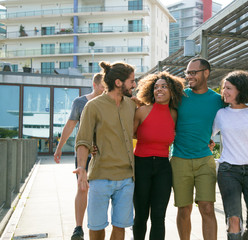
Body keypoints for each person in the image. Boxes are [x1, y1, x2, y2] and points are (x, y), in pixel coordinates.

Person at [171, 57, 248, 240]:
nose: (189, 76)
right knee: (184, 208)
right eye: (187, 72)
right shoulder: (180, 97)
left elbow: (239, 107)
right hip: (179, 158)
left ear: (206, 73)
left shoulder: (218, 99)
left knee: (207, 208)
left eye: (193, 72)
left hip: (205, 160)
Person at [74, 61, 137, 240]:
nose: (134, 84)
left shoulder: (132, 105)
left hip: (126, 178)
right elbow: (83, 140)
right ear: (118, 82)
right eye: (131, 81)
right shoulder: (93, 106)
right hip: (100, 177)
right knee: (96, 227)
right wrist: (81, 169)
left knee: (120, 227)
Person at [212, 71, 248, 240]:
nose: (224, 91)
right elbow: (207, 135)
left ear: (241, 90)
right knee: (234, 220)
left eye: (229, 88)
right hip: (228, 172)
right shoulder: (221, 114)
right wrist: (208, 143)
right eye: (224, 88)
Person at [132, 72, 185, 240]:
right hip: (141, 165)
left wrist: (208, 141)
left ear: (172, 91)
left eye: (164, 86)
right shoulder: (141, 111)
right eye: (156, 87)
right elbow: (128, 136)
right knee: (141, 216)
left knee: (158, 217)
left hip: (163, 167)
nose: (159, 90)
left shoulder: (175, 114)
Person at [53, 73, 104, 240]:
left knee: (101, 191)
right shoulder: (80, 102)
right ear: (95, 85)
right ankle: (78, 228)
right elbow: (70, 125)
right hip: (84, 154)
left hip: (103, 155)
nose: (105, 89)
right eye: (103, 86)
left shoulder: (110, 102)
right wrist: (59, 147)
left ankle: (99, 225)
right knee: (82, 188)